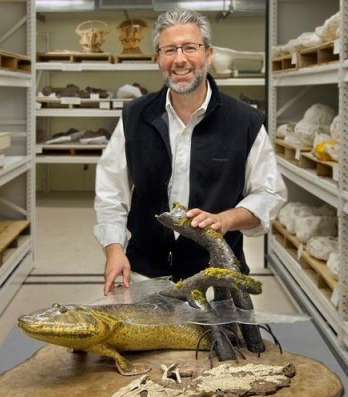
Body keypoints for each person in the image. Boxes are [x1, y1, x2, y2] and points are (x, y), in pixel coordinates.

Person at [94, 9, 287, 295]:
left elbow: (270, 194)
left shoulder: (244, 120)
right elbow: (111, 192)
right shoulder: (134, 117)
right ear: (157, 58)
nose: (180, 59)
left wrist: (226, 219)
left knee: (221, 340)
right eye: (169, 49)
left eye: (190, 47)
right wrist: (113, 249)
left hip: (218, 278)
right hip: (145, 275)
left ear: (208, 54)